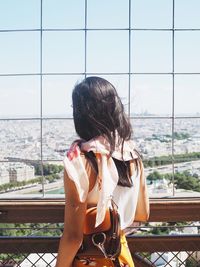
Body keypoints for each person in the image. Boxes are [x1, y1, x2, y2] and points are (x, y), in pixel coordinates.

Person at [55, 76, 149, 267]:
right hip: (119, 257)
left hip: (89, 260)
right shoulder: (131, 155)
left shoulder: (78, 163)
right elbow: (143, 214)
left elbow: (73, 237)